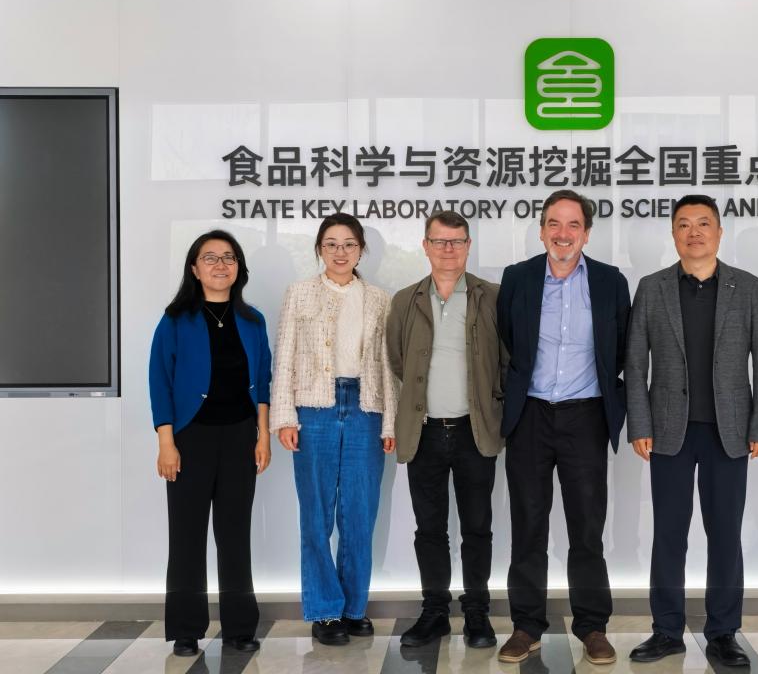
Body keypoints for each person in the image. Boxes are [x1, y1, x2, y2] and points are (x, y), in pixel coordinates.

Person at [625, 195, 758, 667]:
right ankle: (666, 630)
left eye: (703, 223)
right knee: (669, 534)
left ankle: (723, 633)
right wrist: (639, 423)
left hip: (729, 432)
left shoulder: (746, 287)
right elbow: (635, 362)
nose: (694, 232)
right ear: (673, 234)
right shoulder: (652, 288)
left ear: (719, 232)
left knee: (726, 534)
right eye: (684, 224)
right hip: (668, 430)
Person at [496, 190, 630, 666]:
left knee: (587, 529)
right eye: (554, 223)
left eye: (573, 225)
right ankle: (526, 626)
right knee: (528, 526)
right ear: (541, 231)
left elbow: (620, 348)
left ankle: (592, 627)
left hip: (586, 416)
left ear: (586, 234)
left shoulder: (611, 282)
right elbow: (507, 340)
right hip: (530, 416)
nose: (563, 233)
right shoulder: (518, 278)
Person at [270, 213, 397, 646]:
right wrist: (285, 417)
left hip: (365, 408)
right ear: (319, 250)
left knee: (360, 513)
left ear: (361, 250)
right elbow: (284, 355)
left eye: (349, 244)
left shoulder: (379, 299)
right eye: (331, 244)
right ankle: (325, 611)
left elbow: (387, 365)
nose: (340, 252)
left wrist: (389, 421)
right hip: (314, 409)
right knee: (317, 514)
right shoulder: (299, 293)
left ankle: (353, 607)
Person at [149, 230, 272, 657]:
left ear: (239, 268)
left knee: (235, 535)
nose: (221, 265)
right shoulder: (175, 320)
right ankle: (186, 629)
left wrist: (263, 435)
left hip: (240, 437)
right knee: (186, 535)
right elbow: (159, 382)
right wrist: (166, 442)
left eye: (229, 257)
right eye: (210, 257)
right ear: (194, 268)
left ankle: (239, 627)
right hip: (189, 438)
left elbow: (263, 381)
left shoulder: (253, 320)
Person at [385, 211, 503, 650]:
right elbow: (397, 361)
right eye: (439, 241)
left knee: (478, 527)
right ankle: (434, 611)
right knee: (429, 529)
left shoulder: (492, 297)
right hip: (425, 432)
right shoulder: (406, 300)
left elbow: (507, 360)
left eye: (456, 241)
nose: (448, 249)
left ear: (468, 246)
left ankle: (476, 612)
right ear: (426, 246)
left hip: (475, 431)